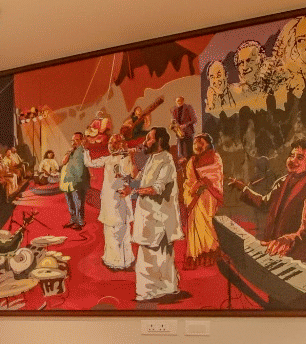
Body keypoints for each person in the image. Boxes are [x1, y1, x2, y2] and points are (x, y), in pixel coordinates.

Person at [228, 136, 306, 265]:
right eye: (291, 155)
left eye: (300, 157)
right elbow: (265, 204)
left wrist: (288, 239)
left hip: (302, 258)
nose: (292, 160)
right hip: (277, 251)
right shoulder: (283, 181)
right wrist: (243, 188)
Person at [121, 127, 184, 301]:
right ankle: (165, 289)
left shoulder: (167, 160)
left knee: (154, 255)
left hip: (159, 219)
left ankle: (150, 293)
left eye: (149, 139)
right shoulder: (152, 159)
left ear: (160, 142)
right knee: (156, 255)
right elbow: (138, 179)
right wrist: (130, 184)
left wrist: (134, 192)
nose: (144, 142)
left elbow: (156, 189)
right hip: (150, 217)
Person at [86, 134, 135, 270]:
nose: (112, 146)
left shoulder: (125, 158)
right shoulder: (107, 159)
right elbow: (90, 163)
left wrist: (127, 155)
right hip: (108, 201)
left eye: (115, 143)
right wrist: (85, 150)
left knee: (122, 231)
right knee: (110, 231)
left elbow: (127, 172)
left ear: (121, 144)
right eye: (111, 143)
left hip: (120, 199)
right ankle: (113, 260)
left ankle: (122, 262)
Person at [182, 132, 224, 268]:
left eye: (200, 142)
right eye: (195, 143)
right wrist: (194, 188)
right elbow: (189, 182)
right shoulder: (192, 161)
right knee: (194, 220)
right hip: (195, 196)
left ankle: (210, 251)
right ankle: (196, 256)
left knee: (202, 218)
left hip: (210, 193)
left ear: (207, 143)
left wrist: (203, 183)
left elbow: (216, 175)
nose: (197, 145)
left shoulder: (215, 157)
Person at [59, 131, 89, 230]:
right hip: (67, 181)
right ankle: (73, 220)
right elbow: (63, 161)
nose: (74, 142)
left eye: (76, 140)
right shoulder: (71, 150)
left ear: (81, 140)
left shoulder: (83, 151)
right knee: (70, 202)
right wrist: (69, 151)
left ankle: (80, 222)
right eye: (73, 140)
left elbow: (86, 165)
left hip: (78, 181)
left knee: (78, 203)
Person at [169, 96, 197, 165]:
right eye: (177, 101)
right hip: (179, 132)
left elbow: (194, 120)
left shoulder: (188, 107)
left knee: (189, 150)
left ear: (183, 101)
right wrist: (174, 124)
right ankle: (182, 162)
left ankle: (191, 164)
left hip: (188, 131)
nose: (178, 102)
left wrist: (185, 125)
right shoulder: (174, 110)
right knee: (180, 150)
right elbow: (174, 121)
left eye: (179, 101)